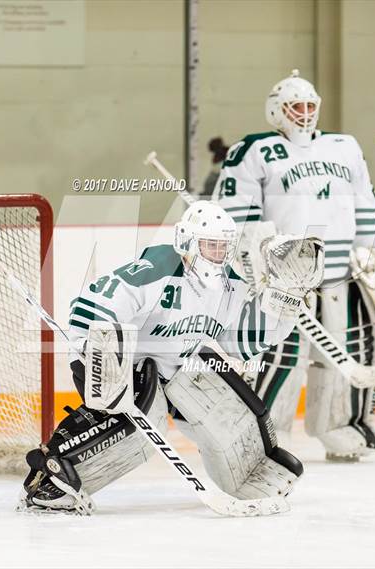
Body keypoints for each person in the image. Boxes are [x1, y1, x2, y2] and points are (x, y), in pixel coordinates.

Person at [18, 201, 323, 514]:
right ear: (187, 243)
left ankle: (250, 472)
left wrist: (282, 303)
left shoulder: (228, 285)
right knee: (144, 423)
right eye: (210, 245)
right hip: (117, 365)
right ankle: (52, 478)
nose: (218, 254)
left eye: (223, 247)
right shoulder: (161, 265)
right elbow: (101, 296)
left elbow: (240, 342)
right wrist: (99, 345)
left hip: (176, 370)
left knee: (227, 407)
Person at [214, 69, 375, 462]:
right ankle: (264, 431)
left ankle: (342, 425)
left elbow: (365, 200)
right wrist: (253, 256)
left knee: (354, 350)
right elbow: (235, 213)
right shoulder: (253, 150)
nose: (303, 112)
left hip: (341, 275)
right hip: (284, 278)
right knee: (281, 356)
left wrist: (372, 253)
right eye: (294, 106)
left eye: (309, 105)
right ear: (275, 111)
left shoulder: (344, 146)